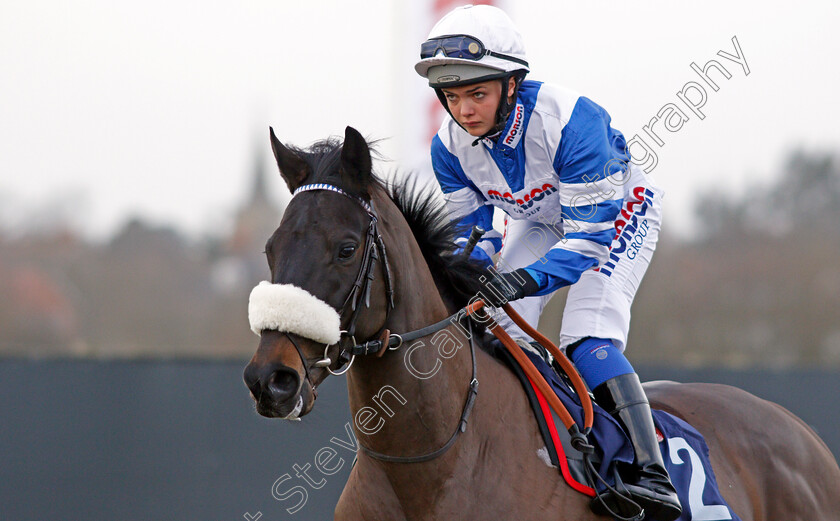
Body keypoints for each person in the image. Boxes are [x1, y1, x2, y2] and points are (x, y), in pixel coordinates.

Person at [415, 5, 680, 520]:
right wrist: (464, 279)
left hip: (617, 215)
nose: (464, 111)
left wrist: (520, 281)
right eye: (452, 97)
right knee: (494, 329)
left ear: (512, 85)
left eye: (477, 94)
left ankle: (652, 473)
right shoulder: (447, 149)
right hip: (542, 221)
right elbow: (474, 235)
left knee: (586, 336)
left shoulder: (573, 121)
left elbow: (586, 240)